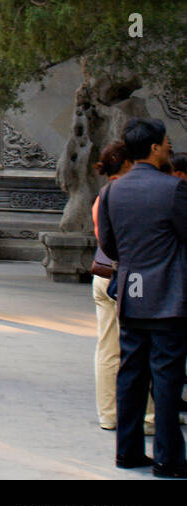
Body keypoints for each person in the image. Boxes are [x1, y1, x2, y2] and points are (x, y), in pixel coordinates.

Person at [97, 117, 187, 477]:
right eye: (166, 142)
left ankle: (128, 451)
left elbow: (109, 244)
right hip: (169, 296)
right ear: (153, 147)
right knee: (166, 379)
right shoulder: (173, 190)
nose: (169, 147)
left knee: (130, 374)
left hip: (132, 295)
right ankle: (168, 457)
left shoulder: (112, 191)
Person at [90, 140, 155, 430]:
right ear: (127, 163)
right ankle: (149, 415)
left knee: (107, 347)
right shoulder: (128, 194)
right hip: (128, 276)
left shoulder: (103, 195)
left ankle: (108, 414)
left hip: (103, 275)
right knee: (140, 346)